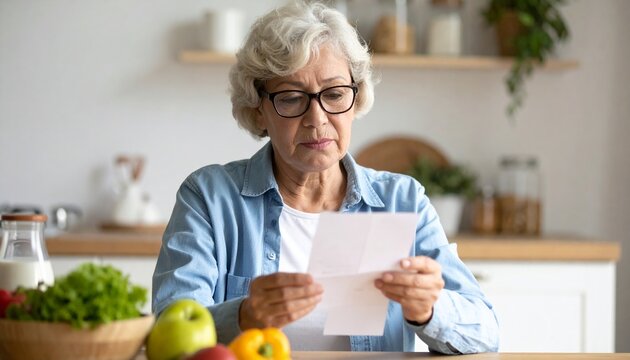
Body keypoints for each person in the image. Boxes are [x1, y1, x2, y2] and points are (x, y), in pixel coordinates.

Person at [152, 1, 499, 354]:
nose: (317, 119)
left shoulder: (401, 201)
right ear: (258, 111)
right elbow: (168, 330)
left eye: (333, 94)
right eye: (291, 98)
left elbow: (486, 333)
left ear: (357, 97)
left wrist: (428, 310)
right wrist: (243, 315)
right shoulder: (210, 198)